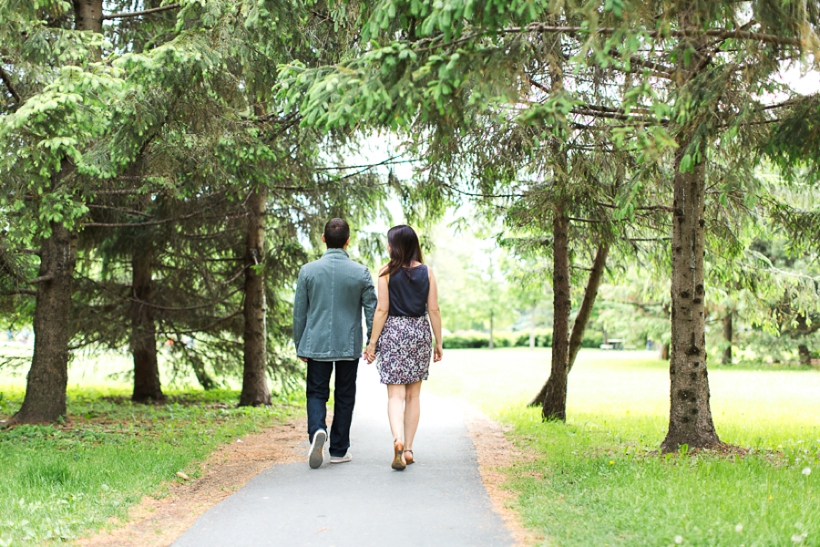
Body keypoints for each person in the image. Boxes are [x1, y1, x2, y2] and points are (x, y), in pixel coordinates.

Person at [293, 219, 378, 469]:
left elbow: (300, 312)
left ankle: (318, 430)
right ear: (348, 240)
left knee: (317, 392)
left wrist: (301, 343)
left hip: (316, 343)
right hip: (347, 344)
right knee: (345, 395)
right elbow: (371, 310)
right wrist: (373, 342)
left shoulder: (308, 271)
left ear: (323, 239)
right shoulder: (360, 272)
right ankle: (339, 450)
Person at [364, 225, 443, 470]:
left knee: (395, 395)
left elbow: (382, 310)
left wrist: (372, 344)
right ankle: (408, 449)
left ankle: (397, 439)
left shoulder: (385, 272)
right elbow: (434, 309)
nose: (388, 246)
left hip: (394, 333)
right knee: (414, 395)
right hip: (419, 332)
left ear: (396, 246)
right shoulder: (427, 272)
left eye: (390, 243)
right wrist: (438, 342)